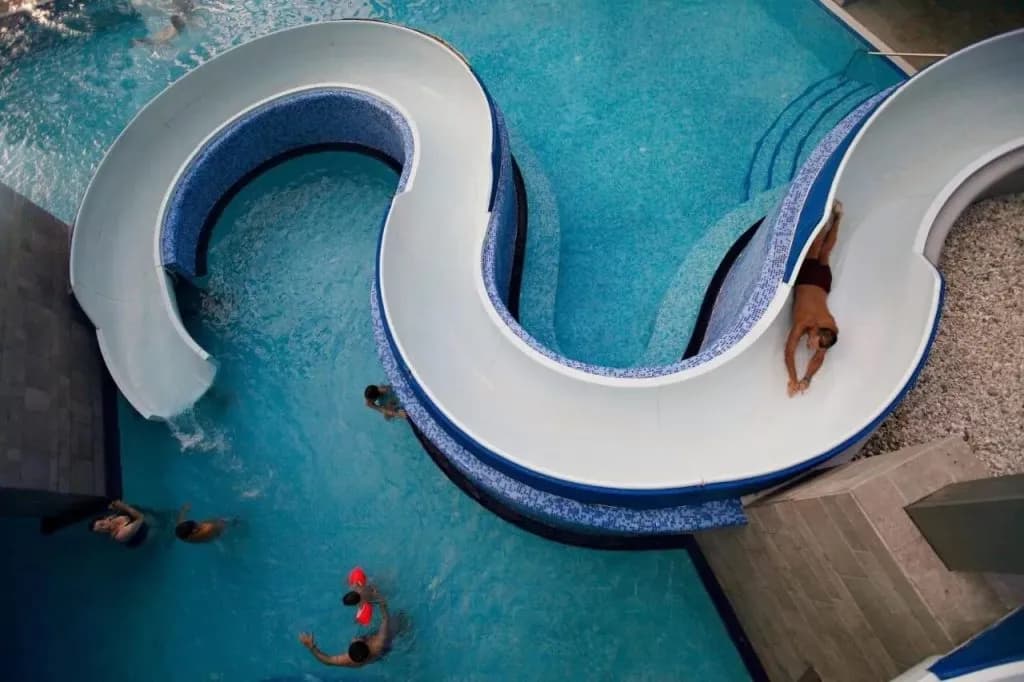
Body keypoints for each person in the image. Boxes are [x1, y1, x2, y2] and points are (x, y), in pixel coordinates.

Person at [786, 200, 842, 397]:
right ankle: (826, 217)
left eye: (812, 345)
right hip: (809, 278)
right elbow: (789, 352)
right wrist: (793, 379)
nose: (810, 346)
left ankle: (837, 217)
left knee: (825, 253)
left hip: (824, 283)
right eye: (812, 343)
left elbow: (819, 357)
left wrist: (807, 378)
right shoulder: (804, 323)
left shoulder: (830, 332)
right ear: (816, 331)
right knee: (816, 248)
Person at [299, 599, 394, 668]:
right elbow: (385, 619)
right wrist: (380, 601)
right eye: (356, 640)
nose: (353, 639)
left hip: (374, 656)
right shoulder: (378, 643)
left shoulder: (350, 661)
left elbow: (328, 661)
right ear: (367, 644)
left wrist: (311, 647)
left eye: (353, 641)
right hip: (382, 651)